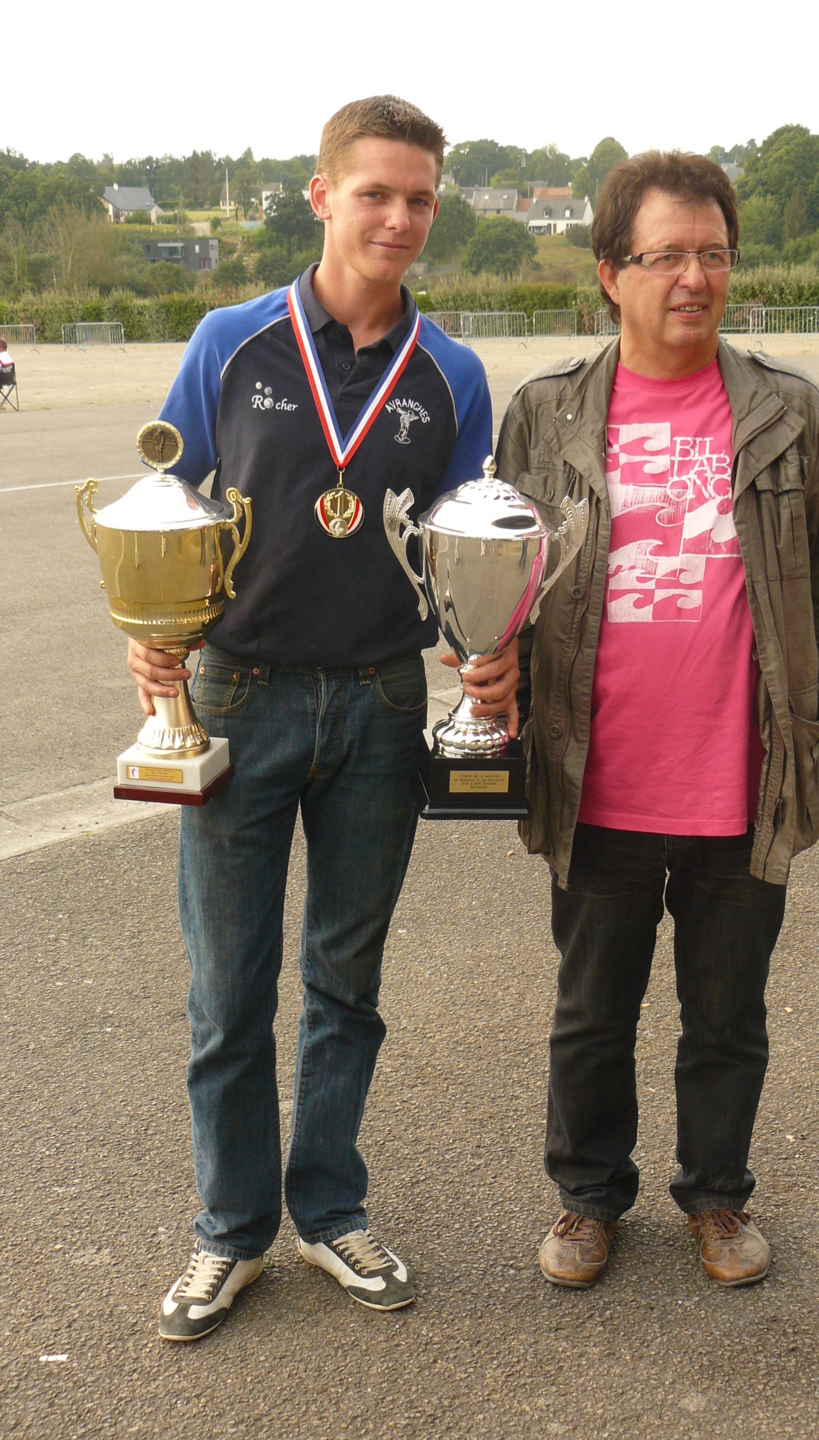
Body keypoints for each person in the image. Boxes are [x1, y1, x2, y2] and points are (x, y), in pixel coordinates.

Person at [128, 95, 519, 1341]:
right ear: (321, 196)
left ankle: (330, 1209)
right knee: (227, 993)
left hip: (379, 700)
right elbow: (167, 503)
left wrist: (487, 659)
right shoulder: (231, 339)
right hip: (236, 693)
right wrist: (154, 628)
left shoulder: (452, 372)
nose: (399, 218)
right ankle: (230, 1233)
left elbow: (475, 553)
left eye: (419, 198)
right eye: (376, 194)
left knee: (345, 984)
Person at [495, 151, 819, 1290]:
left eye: (713, 254)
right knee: (591, 1013)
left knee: (728, 1014)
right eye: (666, 256)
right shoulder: (547, 412)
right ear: (611, 272)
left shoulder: (789, 413)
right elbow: (493, 579)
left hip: (740, 776)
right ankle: (587, 1200)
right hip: (593, 771)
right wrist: (486, 676)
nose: (694, 278)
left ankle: (716, 1196)